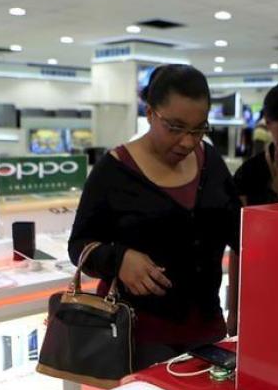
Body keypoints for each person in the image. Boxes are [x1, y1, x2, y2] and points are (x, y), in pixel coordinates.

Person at [68, 65, 241, 369]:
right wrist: (119, 259)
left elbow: (239, 231)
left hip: (208, 333)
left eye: (199, 128)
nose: (188, 142)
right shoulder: (114, 170)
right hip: (138, 338)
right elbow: (78, 245)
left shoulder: (211, 162)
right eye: (175, 127)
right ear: (149, 113)